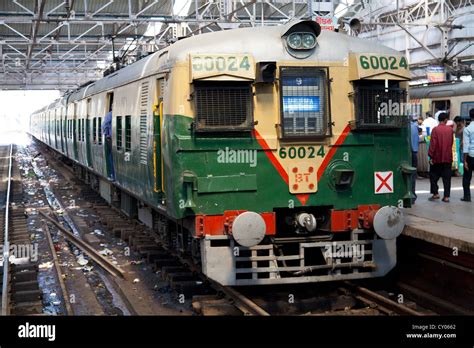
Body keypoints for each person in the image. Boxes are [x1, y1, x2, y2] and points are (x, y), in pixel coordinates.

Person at [428, 112, 453, 203]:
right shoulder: (450, 130)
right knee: (447, 178)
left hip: (437, 158)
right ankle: (446, 197)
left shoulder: (435, 130)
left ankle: (436, 193)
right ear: (446, 119)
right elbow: (451, 143)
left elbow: (433, 145)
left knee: (433, 176)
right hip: (447, 157)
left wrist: (430, 156)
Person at [461, 109, 474, 202]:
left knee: (467, 177)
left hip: (471, 156)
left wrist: (465, 160)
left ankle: (467, 196)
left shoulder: (467, 129)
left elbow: (466, 146)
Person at [102, 110, 115, 181]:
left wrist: (106, 135)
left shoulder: (110, 114)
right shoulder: (110, 114)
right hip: (113, 138)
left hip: (112, 138)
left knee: (112, 156)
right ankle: (113, 174)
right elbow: (105, 125)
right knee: (112, 156)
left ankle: (113, 174)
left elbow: (104, 125)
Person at [410, 114, 421, 204]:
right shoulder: (414, 127)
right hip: (414, 153)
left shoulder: (405, 127)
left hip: (406, 153)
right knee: (413, 175)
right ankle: (412, 195)